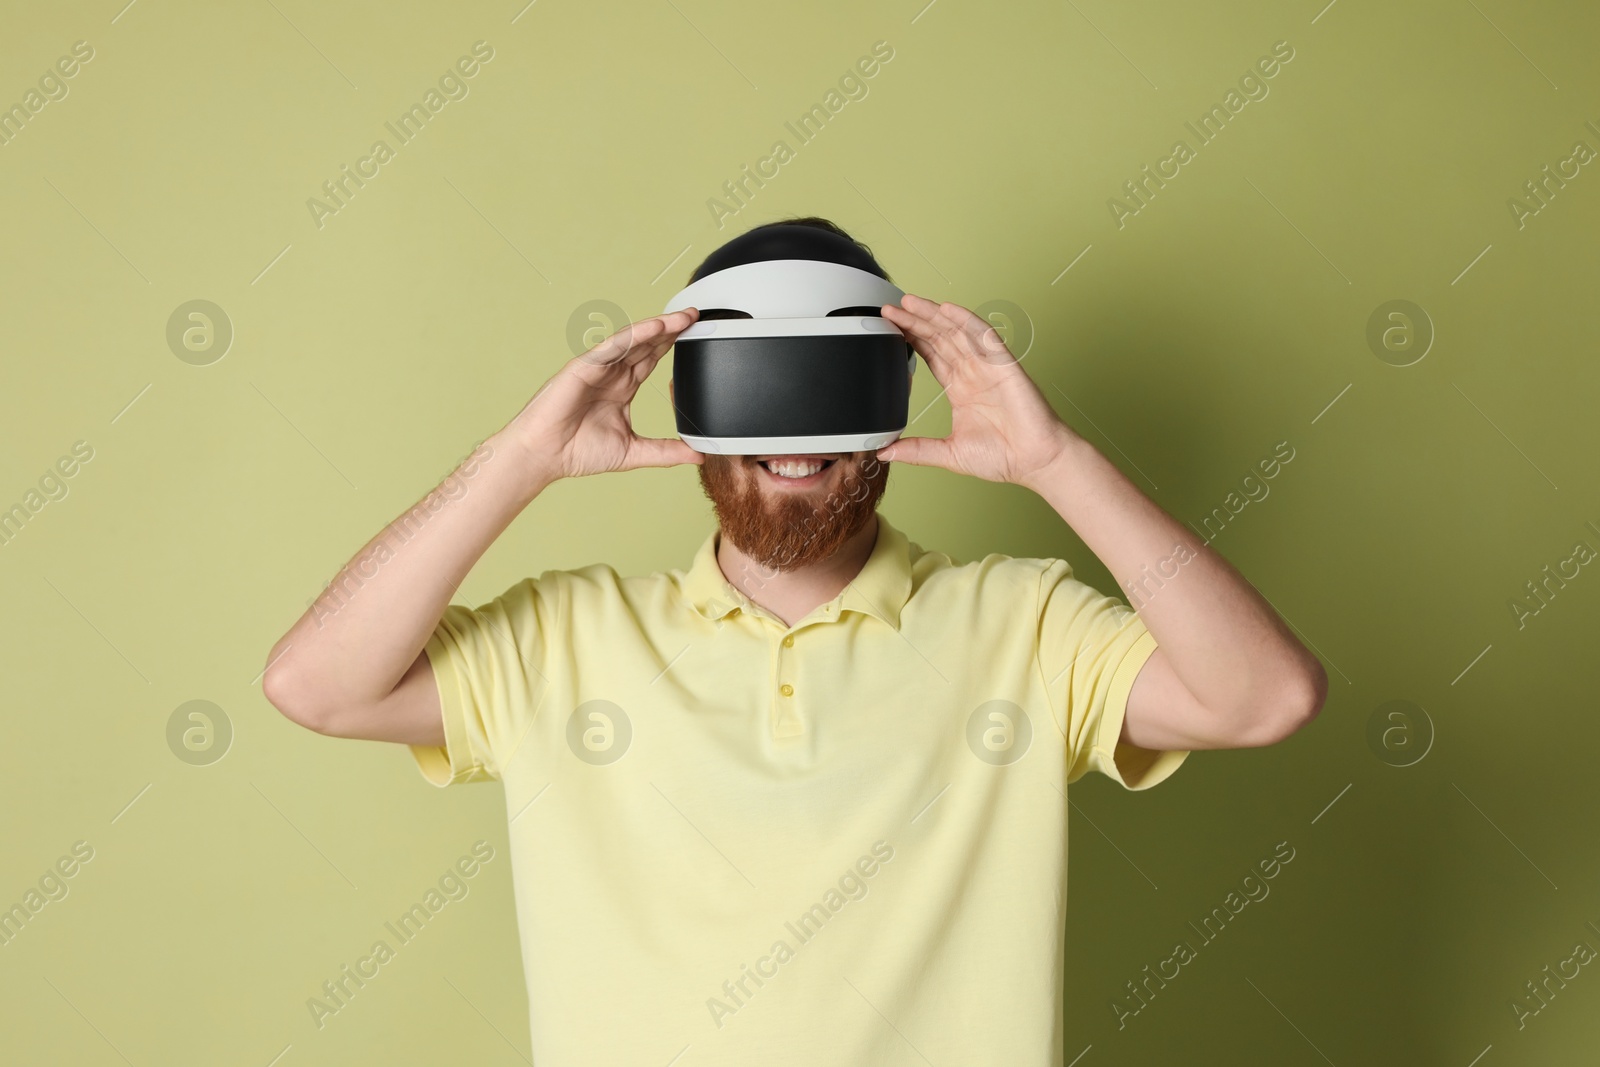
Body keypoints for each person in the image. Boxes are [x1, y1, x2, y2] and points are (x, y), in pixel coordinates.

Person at [263, 216, 1327, 1066]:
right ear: (695, 402)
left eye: (822, 388)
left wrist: (1055, 462)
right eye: (759, 389)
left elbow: (1262, 698)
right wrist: (516, 460)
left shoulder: (1024, 626)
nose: (792, 439)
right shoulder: (565, 636)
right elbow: (317, 683)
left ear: (885, 395)